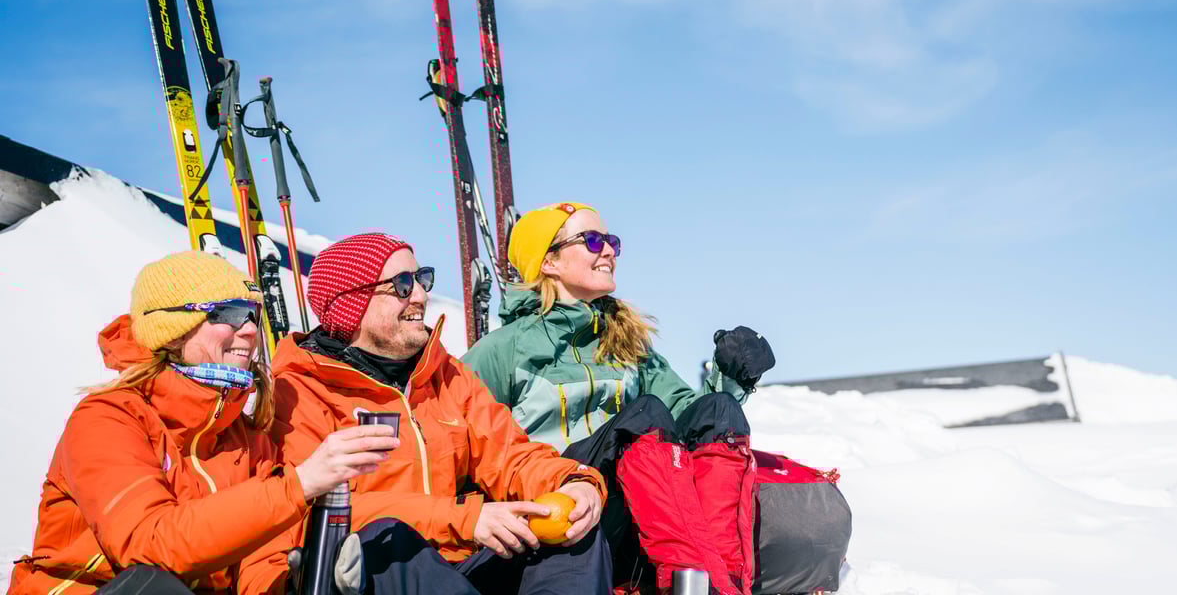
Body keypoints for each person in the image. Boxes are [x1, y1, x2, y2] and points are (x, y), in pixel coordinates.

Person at [8, 251, 395, 595]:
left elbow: (255, 564)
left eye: (253, 314)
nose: (249, 329)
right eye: (227, 313)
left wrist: (293, 582)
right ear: (172, 331)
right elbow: (149, 544)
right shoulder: (108, 418)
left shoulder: (246, 437)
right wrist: (299, 484)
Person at [270, 232, 612, 595]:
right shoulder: (301, 389)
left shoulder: (443, 374)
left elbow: (510, 455)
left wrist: (575, 482)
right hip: (380, 573)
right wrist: (463, 518)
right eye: (403, 284)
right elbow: (310, 508)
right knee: (389, 541)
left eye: (422, 279)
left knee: (572, 533)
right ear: (352, 303)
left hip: (459, 563)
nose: (420, 295)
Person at [462, 202, 776, 595]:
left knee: (719, 410)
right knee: (644, 415)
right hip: (554, 513)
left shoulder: (626, 343)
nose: (609, 250)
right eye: (592, 241)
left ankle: (716, 583)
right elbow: (457, 437)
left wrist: (731, 378)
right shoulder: (503, 350)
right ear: (549, 262)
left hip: (626, 520)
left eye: (611, 241)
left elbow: (687, 417)